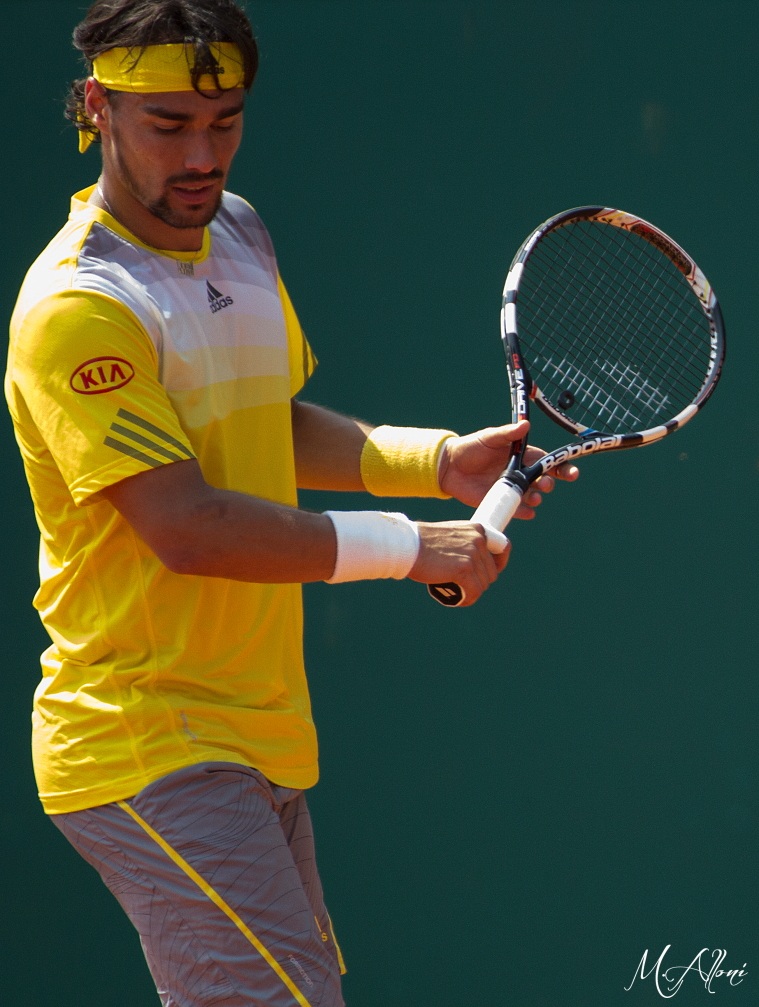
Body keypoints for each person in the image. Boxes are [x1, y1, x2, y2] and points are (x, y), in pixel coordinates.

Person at [6, 1, 577, 1004]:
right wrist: (416, 547)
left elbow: (265, 421)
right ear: (98, 108)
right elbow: (186, 524)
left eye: (223, 122)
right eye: (167, 124)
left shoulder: (238, 231)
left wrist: (435, 460)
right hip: (147, 736)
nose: (201, 155)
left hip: (260, 727)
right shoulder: (79, 308)